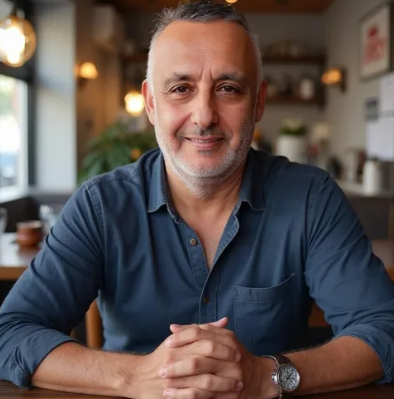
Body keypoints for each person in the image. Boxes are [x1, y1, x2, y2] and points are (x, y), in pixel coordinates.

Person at [1, 2, 394, 399]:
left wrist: (266, 376)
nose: (204, 115)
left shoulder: (311, 198)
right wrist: (134, 376)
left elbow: (384, 328)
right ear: (151, 103)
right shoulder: (100, 205)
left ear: (258, 103)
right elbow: (11, 331)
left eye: (228, 88)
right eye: (180, 89)